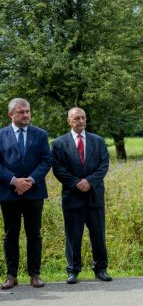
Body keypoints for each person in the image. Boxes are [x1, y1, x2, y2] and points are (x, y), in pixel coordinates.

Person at [51, 107, 111, 284]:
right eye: (76, 118)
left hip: (94, 196)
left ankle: (101, 269)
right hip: (72, 196)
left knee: (98, 235)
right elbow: (58, 169)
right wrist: (77, 182)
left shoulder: (98, 141)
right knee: (73, 236)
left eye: (83, 118)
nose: (81, 121)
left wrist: (89, 182)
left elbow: (103, 165)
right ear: (69, 121)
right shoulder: (59, 143)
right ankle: (73, 270)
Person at [0, 98, 51, 290]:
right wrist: (14, 180)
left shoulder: (40, 134)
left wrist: (30, 180)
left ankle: (35, 274)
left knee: (34, 234)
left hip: (34, 192)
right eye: (21, 112)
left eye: (28, 111)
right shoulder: (1, 135)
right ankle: (11, 275)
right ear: (11, 114)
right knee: (11, 234)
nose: (26, 115)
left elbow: (47, 160)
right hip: (8, 192)